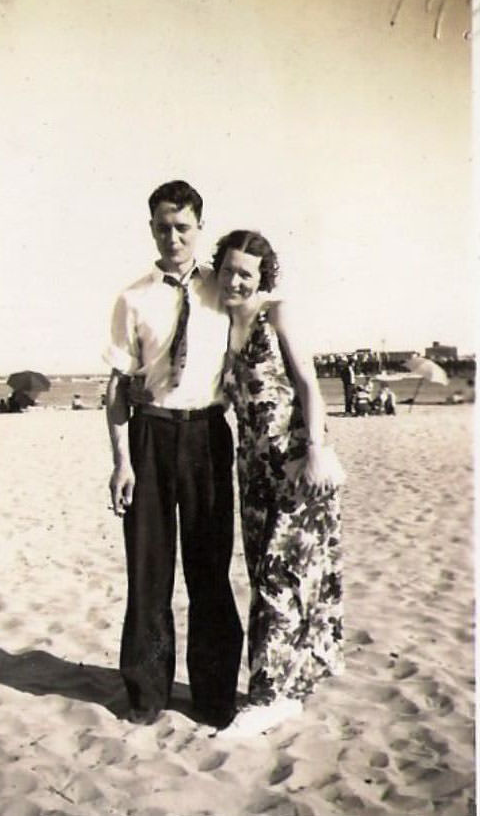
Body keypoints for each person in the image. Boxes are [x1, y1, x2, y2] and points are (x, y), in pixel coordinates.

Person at [104, 180, 243, 729]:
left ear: (199, 229)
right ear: (151, 229)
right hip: (151, 435)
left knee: (209, 569)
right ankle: (146, 693)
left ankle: (213, 694)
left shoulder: (224, 292)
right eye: (163, 227)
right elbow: (117, 387)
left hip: (208, 436)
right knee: (148, 569)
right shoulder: (132, 298)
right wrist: (121, 461)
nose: (173, 237)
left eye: (183, 227)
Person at [212, 230, 346, 738]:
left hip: (294, 462)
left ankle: (268, 696)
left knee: (278, 576)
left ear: (262, 277)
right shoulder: (223, 325)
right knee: (269, 578)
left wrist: (314, 451)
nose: (236, 280)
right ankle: (287, 692)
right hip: (252, 467)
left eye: (246, 272)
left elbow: (309, 384)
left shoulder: (277, 314)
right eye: (228, 270)